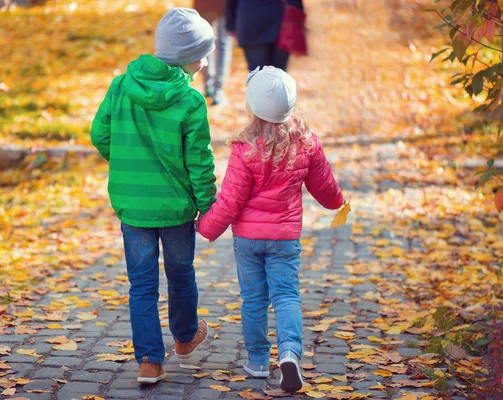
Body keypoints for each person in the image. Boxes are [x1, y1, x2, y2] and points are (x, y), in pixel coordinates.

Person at [90, 8, 217, 384]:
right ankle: (184, 337)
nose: (206, 60)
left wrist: (129, 163)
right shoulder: (190, 102)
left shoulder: (119, 86)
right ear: (187, 58)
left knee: (142, 284)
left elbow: (100, 134)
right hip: (176, 208)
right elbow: (199, 161)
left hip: (133, 207)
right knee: (181, 275)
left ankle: (149, 360)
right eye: (202, 54)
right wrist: (209, 204)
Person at [197, 66, 344, 392]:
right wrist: (337, 204)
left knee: (253, 300)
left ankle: (258, 361)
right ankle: (290, 353)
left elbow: (230, 201)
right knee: (287, 296)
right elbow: (324, 186)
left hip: (248, 240)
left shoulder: (244, 147)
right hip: (285, 238)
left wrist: (206, 227)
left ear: (253, 105)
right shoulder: (306, 142)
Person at [226, 0, 304, 72]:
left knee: (257, 74)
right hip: (281, 22)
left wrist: (230, 24)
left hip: (250, 20)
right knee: (278, 75)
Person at [193, 0, 234, 105]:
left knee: (205, 40)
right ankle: (217, 90)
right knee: (223, 43)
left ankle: (208, 86)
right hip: (225, 4)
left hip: (204, 4)